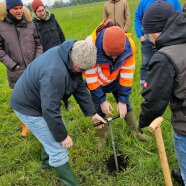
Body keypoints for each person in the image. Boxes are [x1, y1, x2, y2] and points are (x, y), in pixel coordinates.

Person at [10, 39, 106, 185]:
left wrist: (92, 113)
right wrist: (62, 137)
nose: (84, 73)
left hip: (39, 101)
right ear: (74, 62)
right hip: (28, 107)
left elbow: (79, 86)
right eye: (82, 69)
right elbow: (49, 109)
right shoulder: (55, 73)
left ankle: (46, 165)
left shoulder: (69, 56)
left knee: (49, 134)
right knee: (58, 146)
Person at [138, 1, 186, 185]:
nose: (149, 39)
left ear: (157, 31)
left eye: (148, 33)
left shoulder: (164, 58)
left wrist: (143, 122)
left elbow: (154, 101)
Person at [85, 24, 150, 142]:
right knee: (98, 108)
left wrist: (123, 100)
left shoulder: (129, 45)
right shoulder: (90, 47)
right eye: (110, 54)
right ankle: (101, 138)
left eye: (117, 55)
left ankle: (136, 132)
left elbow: (127, 74)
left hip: (116, 78)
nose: (114, 57)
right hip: (97, 82)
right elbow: (91, 78)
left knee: (125, 104)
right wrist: (101, 100)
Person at [0, 0, 43, 136]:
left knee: (38, 95)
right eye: (15, 9)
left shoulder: (30, 23)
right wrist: (13, 65)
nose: (19, 11)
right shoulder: (1, 26)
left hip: (33, 68)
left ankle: (42, 122)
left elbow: (38, 43)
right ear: (7, 9)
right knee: (21, 100)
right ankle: (25, 125)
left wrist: (37, 62)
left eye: (20, 7)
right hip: (16, 71)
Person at [31, 0, 71, 110]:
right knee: (52, 81)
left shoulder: (52, 19)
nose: (42, 13)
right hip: (47, 58)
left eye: (43, 10)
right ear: (35, 12)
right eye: (39, 11)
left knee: (64, 78)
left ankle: (67, 101)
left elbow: (61, 34)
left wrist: (65, 49)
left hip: (60, 54)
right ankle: (56, 102)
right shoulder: (34, 24)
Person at [135, 0, 182, 85]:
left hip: (168, 41)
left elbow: (180, 17)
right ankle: (144, 84)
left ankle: (165, 84)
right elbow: (138, 17)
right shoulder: (144, 2)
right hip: (148, 39)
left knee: (167, 63)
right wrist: (140, 35)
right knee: (146, 62)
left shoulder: (174, 1)